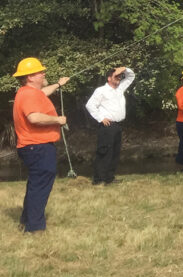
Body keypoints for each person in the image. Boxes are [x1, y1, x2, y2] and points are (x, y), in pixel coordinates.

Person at [11, 57, 70, 233]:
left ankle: (26, 221)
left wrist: (58, 84)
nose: (44, 73)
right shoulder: (29, 94)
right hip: (38, 147)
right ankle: (35, 228)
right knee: (40, 187)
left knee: (36, 184)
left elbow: (43, 92)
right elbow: (34, 117)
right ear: (30, 77)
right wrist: (58, 120)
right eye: (40, 71)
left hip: (33, 147)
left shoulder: (29, 92)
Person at [84, 65, 135, 185]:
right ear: (109, 78)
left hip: (118, 125)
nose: (118, 78)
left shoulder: (120, 88)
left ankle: (109, 177)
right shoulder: (101, 90)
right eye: (116, 76)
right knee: (104, 152)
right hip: (107, 126)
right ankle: (98, 179)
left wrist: (123, 69)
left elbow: (131, 76)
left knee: (115, 152)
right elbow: (90, 105)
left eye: (119, 77)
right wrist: (101, 118)